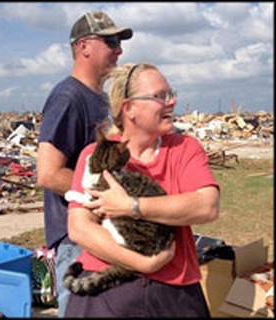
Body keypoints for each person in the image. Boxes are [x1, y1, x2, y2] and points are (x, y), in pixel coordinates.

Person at [65, 62, 220, 317]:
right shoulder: (94, 155)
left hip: (173, 292)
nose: (171, 102)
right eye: (160, 96)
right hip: (107, 289)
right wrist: (143, 263)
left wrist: (131, 206)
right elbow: (80, 228)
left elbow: (207, 206)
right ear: (129, 108)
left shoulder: (184, 149)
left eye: (171, 94)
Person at [37, 11, 133, 317]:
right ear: (84, 47)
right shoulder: (68, 97)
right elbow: (49, 173)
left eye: (119, 42)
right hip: (76, 239)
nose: (119, 49)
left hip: (103, 233)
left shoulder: (101, 100)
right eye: (111, 41)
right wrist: (105, 197)